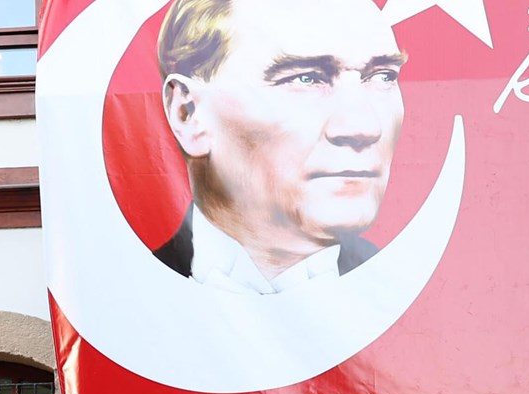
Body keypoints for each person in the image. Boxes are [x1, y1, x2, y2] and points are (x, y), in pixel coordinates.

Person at [154, 0, 404, 293]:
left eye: (383, 76)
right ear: (189, 113)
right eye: (307, 78)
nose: (365, 127)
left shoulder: (424, 302)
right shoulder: (107, 298)